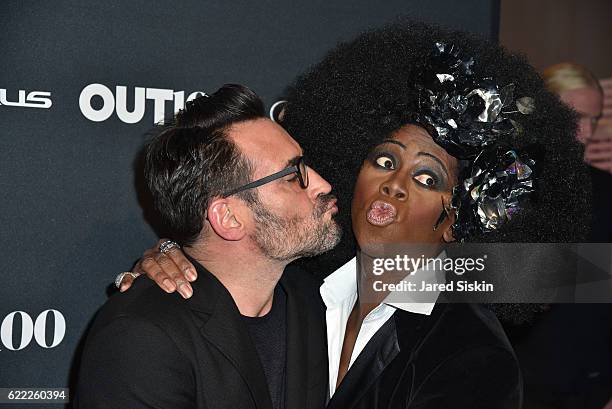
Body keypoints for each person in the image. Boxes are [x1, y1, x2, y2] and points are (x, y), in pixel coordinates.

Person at [120, 23, 590, 408]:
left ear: (455, 220)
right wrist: (170, 258)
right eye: (384, 161)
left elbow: (578, 273)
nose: (394, 183)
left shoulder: (471, 354)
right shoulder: (299, 289)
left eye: (427, 179)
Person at [74, 84, 341, 409]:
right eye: (291, 176)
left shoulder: (318, 301)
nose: (322, 184)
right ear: (227, 217)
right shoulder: (141, 338)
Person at [543, 62, 612, 242]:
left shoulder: (606, 189)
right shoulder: (507, 181)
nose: (588, 132)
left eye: (594, 120)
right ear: (544, 111)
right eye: (578, 117)